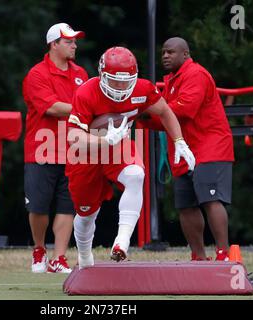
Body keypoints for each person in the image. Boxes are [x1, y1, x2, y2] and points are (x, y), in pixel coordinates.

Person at [66, 46, 195, 269]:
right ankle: (85, 256)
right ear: (102, 75)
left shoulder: (143, 89)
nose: (121, 86)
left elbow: (164, 111)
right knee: (86, 214)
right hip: (86, 153)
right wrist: (104, 140)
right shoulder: (86, 92)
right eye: (115, 81)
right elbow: (72, 136)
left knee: (136, 175)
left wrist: (179, 140)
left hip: (119, 147)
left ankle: (122, 242)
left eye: (126, 81)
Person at [142, 37, 235, 261]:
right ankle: (199, 257)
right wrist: (142, 116)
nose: (165, 56)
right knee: (185, 205)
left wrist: (147, 109)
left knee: (211, 199)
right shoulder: (173, 80)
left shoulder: (196, 74)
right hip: (185, 150)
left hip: (210, 147)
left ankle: (223, 254)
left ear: (186, 54)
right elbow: (164, 119)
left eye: (171, 52)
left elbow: (185, 109)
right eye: (163, 52)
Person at [22, 23, 88, 273]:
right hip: (42, 149)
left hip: (73, 149)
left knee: (66, 206)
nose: (74, 45)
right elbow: (50, 107)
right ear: (54, 44)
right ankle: (39, 249)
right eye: (69, 41)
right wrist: (85, 107)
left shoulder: (81, 73)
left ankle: (59, 258)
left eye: (75, 41)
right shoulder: (37, 74)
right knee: (38, 206)